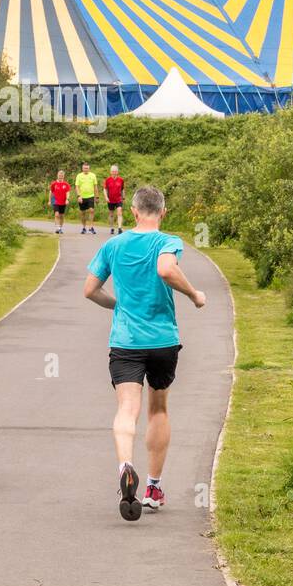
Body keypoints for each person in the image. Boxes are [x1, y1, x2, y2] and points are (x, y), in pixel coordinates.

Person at [82, 185, 206, 521]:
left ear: (134, 211)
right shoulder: (167, 241)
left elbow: (90, 290)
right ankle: (152, 488)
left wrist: (117, 305)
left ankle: (125, 466)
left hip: (126, 341)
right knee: (158, 409)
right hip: (163, 340)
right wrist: (194, 294)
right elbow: (166, 269)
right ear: (163, 212)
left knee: (126, 409)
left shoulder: (113, 244)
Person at [73, 162, 99, 235]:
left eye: (87, 168)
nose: (86, 169)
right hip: (82, 197)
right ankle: (84, 228)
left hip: (91, 196)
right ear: (82, 168)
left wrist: (97, 197)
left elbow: (95, 187)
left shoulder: (93, 175)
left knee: (91, 210)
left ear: (89, 168)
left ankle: (91, 227)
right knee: (83, 213)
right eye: (84, 168)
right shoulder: (79, 176)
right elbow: (77, 187)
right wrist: (78, 196)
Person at [103, 164, 126, 234]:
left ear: (117, 172)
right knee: (111, 214)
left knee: (119, 212)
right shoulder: (107, 180)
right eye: (113, 171)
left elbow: (122, 189)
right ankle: (112, 227)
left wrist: (124, 197)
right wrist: (106, 197)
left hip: (118, 199)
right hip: (110, 200)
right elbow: (105, 189)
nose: (114, 172)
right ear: (110, 172)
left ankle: (119, 228)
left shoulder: (121, 180)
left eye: (115, 171)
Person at [48, 169, 71, 234]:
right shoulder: (54, 184)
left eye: (62, 175)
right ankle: (57, 228)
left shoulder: (66, 184)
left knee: (62, 216)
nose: (60, 176)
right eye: (59, 175)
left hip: (63, 202)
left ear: (63, 176)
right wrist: (49, 200)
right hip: (55, 201)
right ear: (57, 175)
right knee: (57, 214)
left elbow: (68, 193)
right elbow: (51, 192)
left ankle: (60, 228)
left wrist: (67, 199)